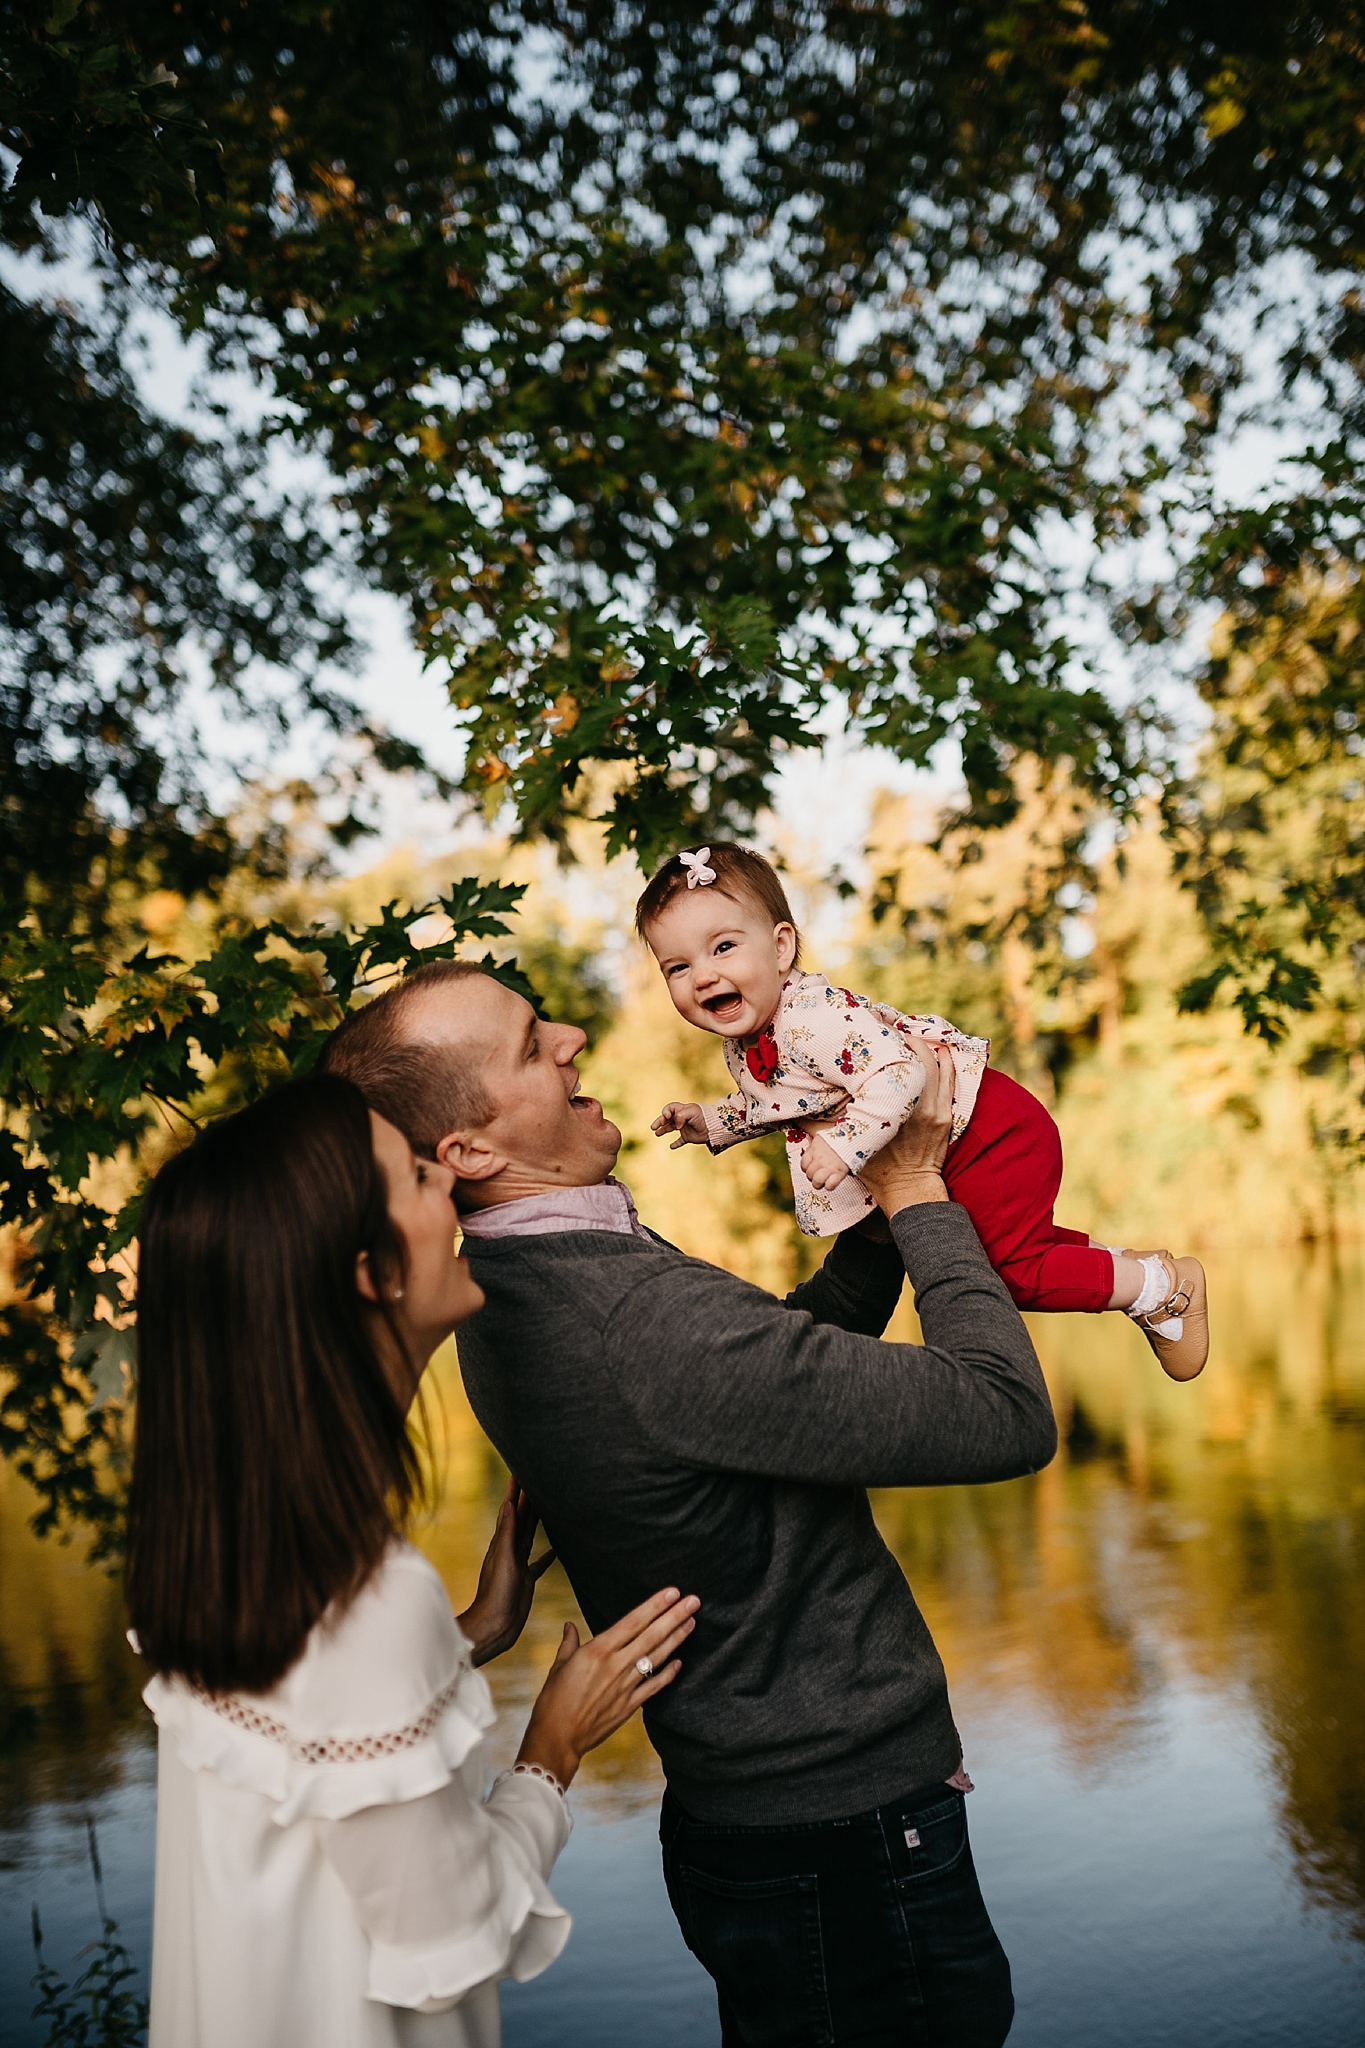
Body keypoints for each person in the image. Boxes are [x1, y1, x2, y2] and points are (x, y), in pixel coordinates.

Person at [320, 958, 1057, 2047]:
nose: (571, 1036)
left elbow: (774, 1385)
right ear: (468, 1150)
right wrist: (916, 1194)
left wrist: (870, 1212)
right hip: (842, 1847)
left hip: (763, 1829)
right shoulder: (632, 1319)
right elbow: (1004, 1413)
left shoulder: (515, 1279)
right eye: (530, 1043)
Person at [125, 1073, 697, 2048]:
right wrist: (552, 1748)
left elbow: (309, 1726)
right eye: (418, 1175)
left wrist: (469, 1635)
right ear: (370, 1270)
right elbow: (458, 1931)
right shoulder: (367, 1596)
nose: (450, 1177)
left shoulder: (224, 1532)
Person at [641, 841, 1208, 1381]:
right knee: (999, 1250)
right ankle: (1130, 1266)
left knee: (1008, 1275)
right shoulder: (748, 1038)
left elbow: (899, 1072)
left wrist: (844, 1145)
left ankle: (1161, 1290)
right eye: (678, 967)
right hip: (971, 1131)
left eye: (723, 947)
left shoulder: (810, 1017)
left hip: (984, 1129)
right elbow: (780, 1100)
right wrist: (712, 1122)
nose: (704, 975)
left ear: (781, 947)